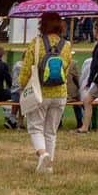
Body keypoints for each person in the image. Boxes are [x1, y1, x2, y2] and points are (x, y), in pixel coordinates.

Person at [19, 11, 71, 174]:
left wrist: (22, 86)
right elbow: (67, 69)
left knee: (35, 128)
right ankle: (49, 163)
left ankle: (43, 154)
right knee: (51, 131)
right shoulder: (67, 45)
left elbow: (26, 69)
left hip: (40, 92)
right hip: (60, 93)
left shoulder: (36, 43)